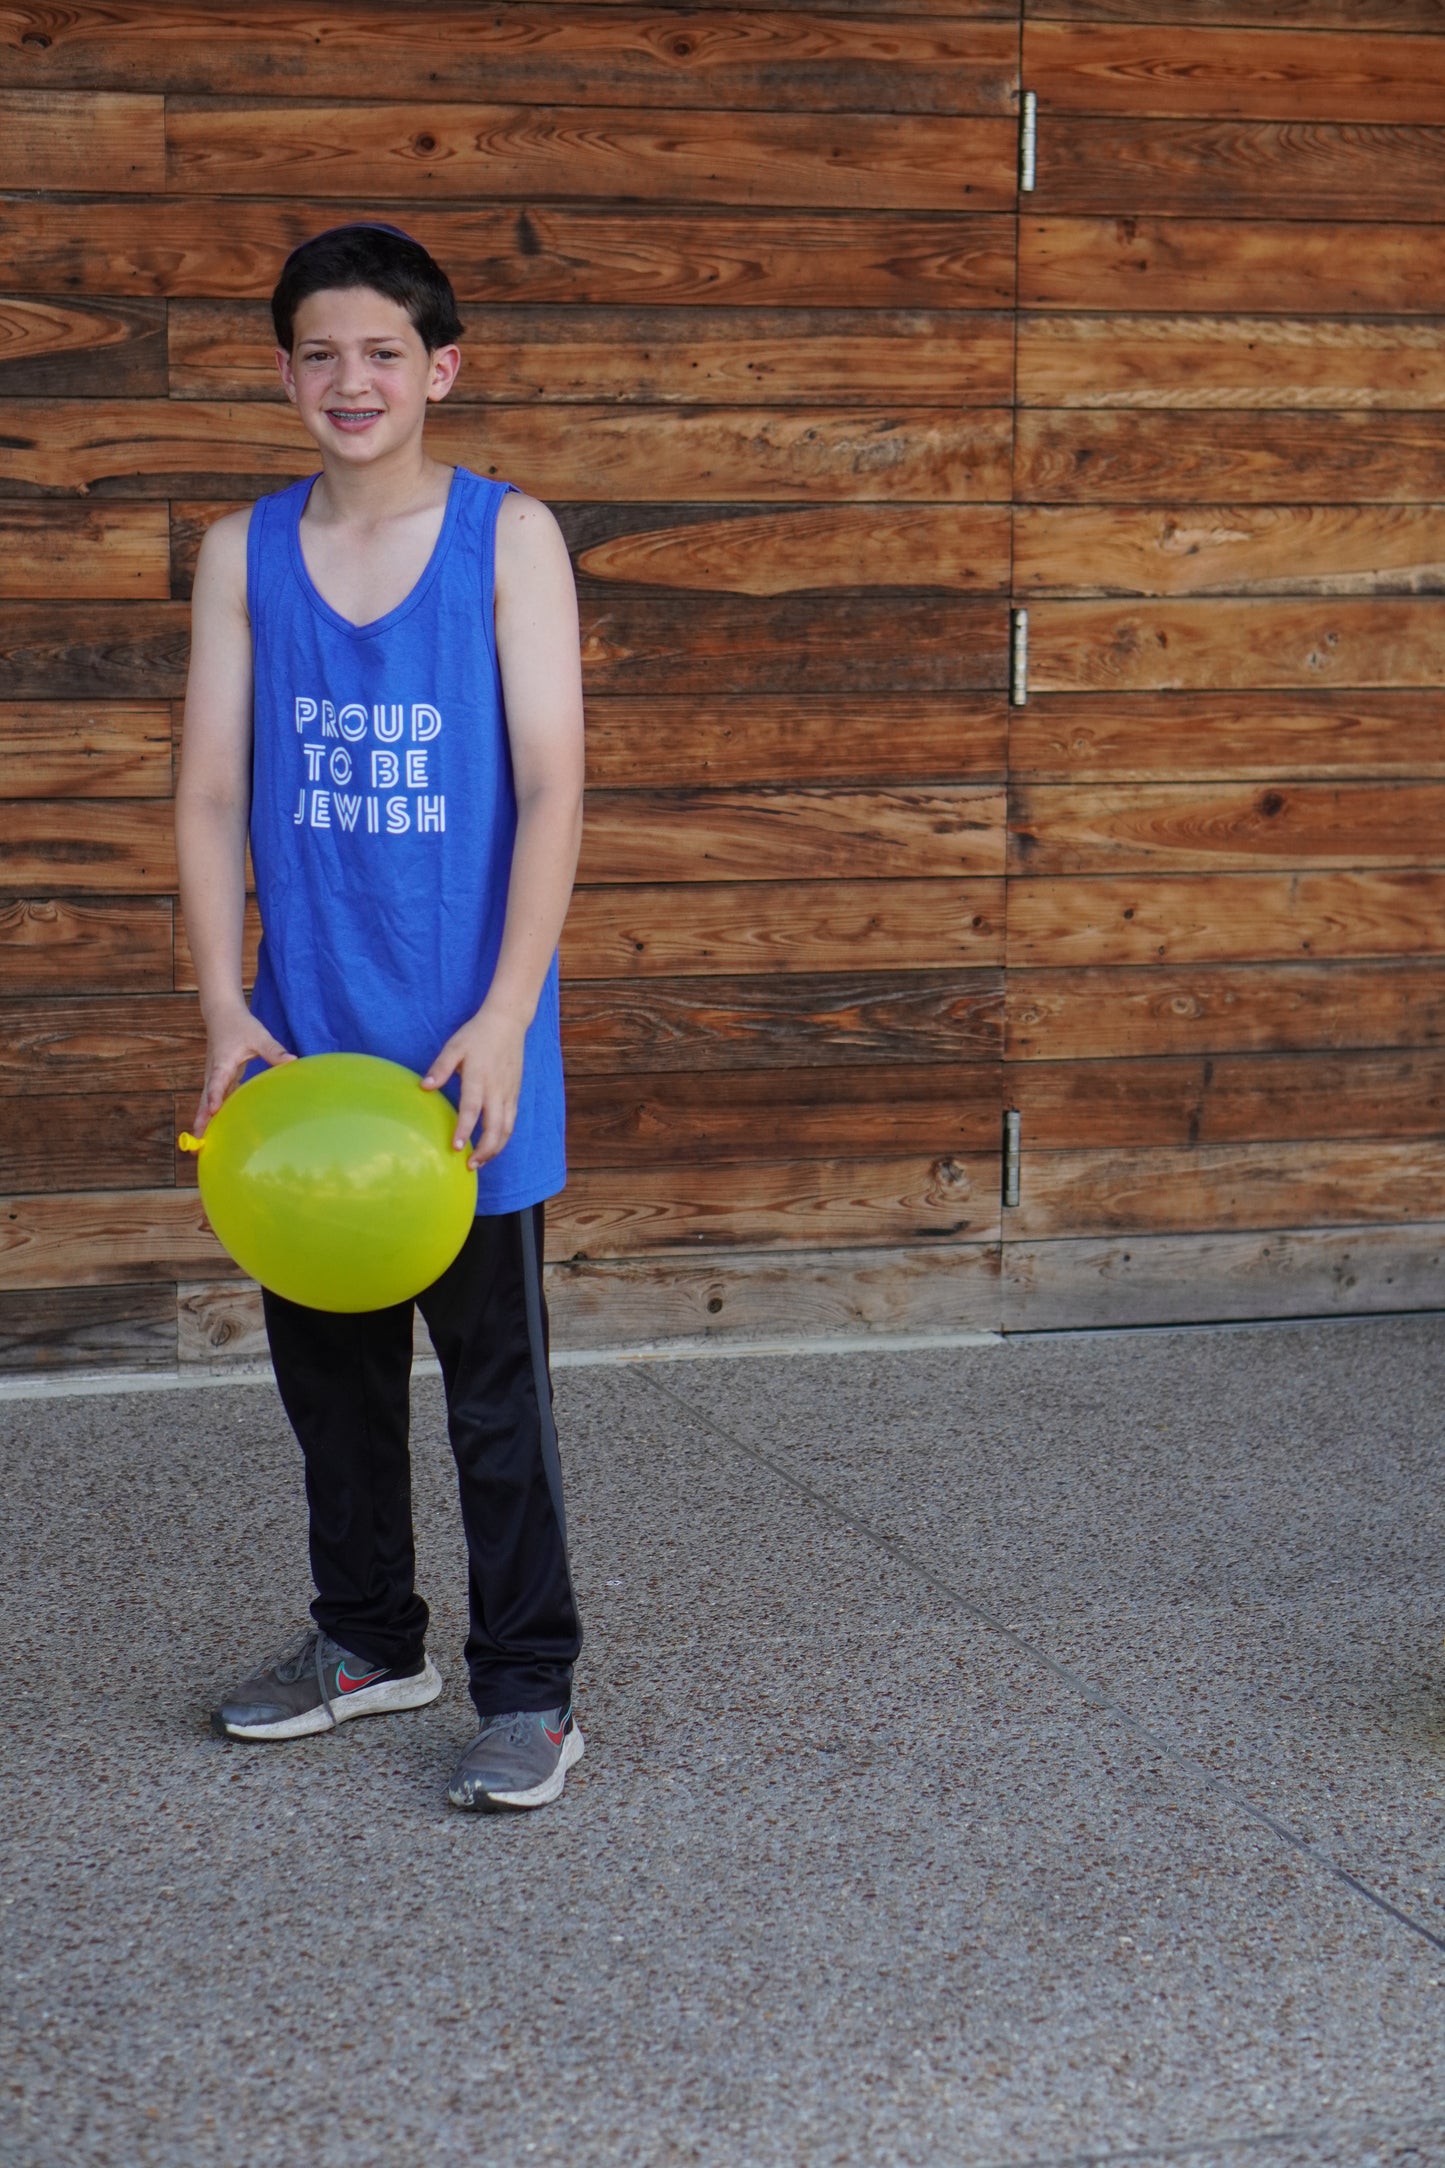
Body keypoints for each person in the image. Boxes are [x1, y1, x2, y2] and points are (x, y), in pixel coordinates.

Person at [174, 223, 586, 1812]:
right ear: (285, 373)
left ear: (440, 369)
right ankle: (365, 1641)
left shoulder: (511, 539)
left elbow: (552, 789)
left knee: (495, 1399)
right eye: (320, 354)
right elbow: (211, 794)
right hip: (303, 1050)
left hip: (461, 1054)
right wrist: (224, 997)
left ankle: (532, 1691)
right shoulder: (243, 551)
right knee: (327, 1383)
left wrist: (503, 1013)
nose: (351, 381)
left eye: (383, 353)